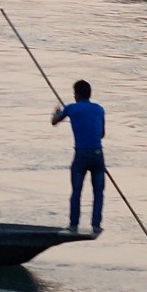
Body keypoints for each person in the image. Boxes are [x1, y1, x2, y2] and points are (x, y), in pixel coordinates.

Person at [51, 78, 105, 234]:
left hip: (81, 154)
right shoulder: (99, 109)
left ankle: (73, 225)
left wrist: (57, 112)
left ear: (78, 94)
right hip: (97, 153)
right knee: (99, 192)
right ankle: (96, 225)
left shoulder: (71, 108)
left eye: (74, 93)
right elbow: (101, 134)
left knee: (76, 191)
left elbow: (54, 122)